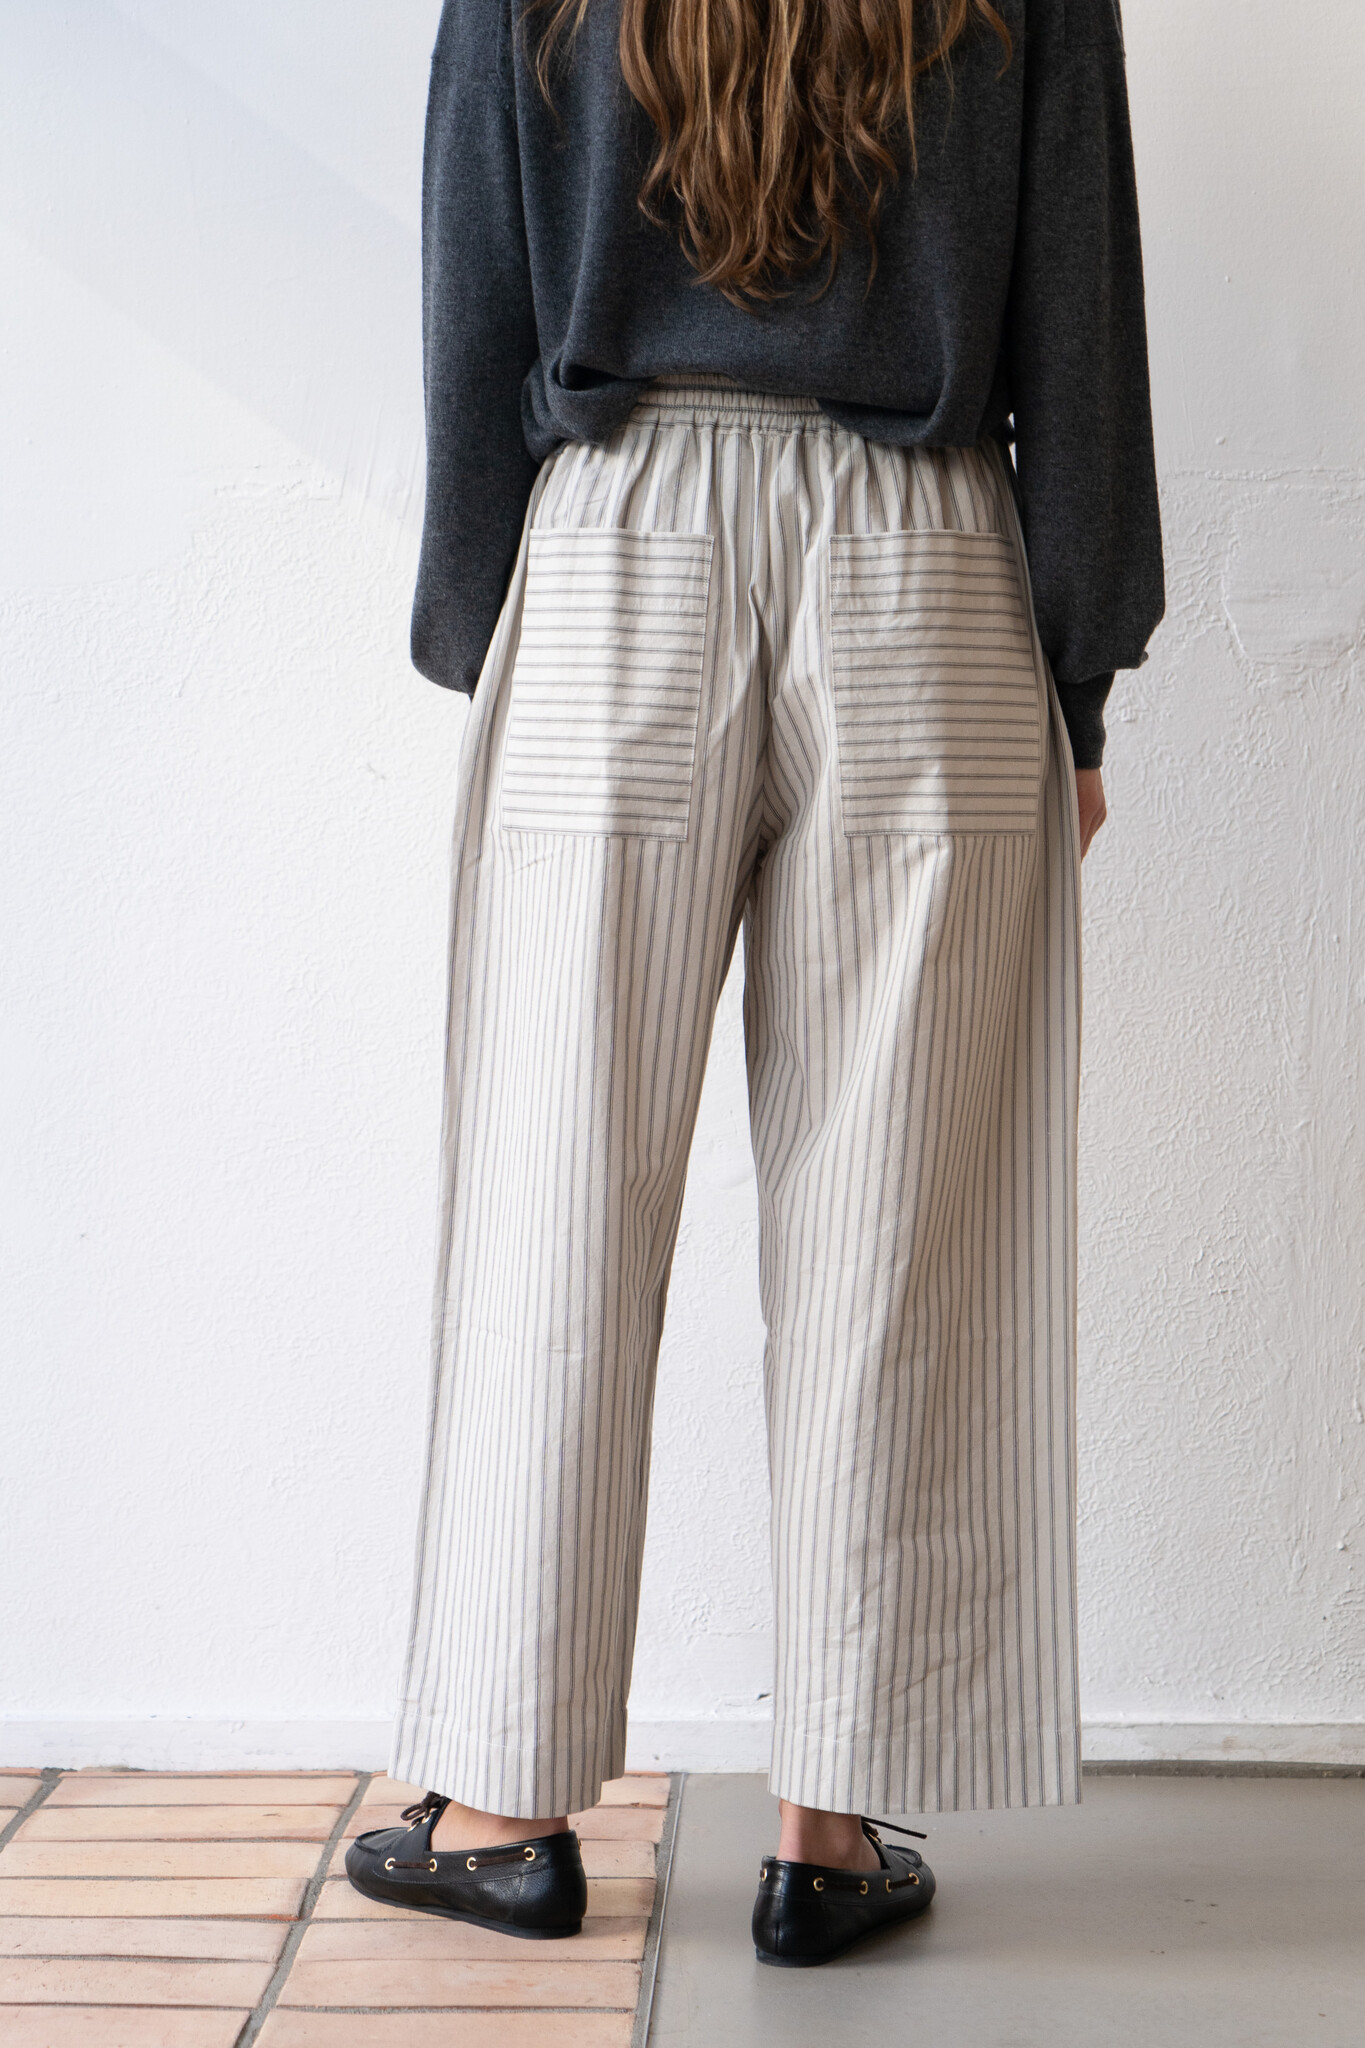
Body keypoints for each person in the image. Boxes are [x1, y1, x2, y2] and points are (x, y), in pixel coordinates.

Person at [345, 0, 1164, 1967]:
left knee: (555, 1189)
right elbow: (1079, 318)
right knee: (901, 1217)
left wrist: (483, 625)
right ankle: (829, 1824)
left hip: (615, 551)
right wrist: (1073, 679)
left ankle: (504, 1809)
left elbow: (474, 287)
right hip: (927, 565)